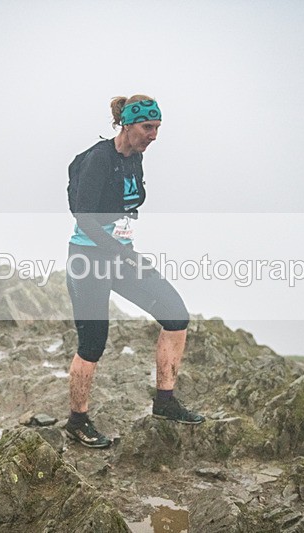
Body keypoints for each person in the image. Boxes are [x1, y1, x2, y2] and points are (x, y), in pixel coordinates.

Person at [64, 95, 204, 448]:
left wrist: (127, 253)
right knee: (92, 344)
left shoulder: (135, 159)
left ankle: (165, 402)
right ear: (127, 124)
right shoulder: (99, 159)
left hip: (121, 255)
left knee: (176, 316)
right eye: (148, 127)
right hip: (88, 259)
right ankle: (77, 421)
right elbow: (84, 219)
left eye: (157, 128)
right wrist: (121, 253)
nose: (154, 135)